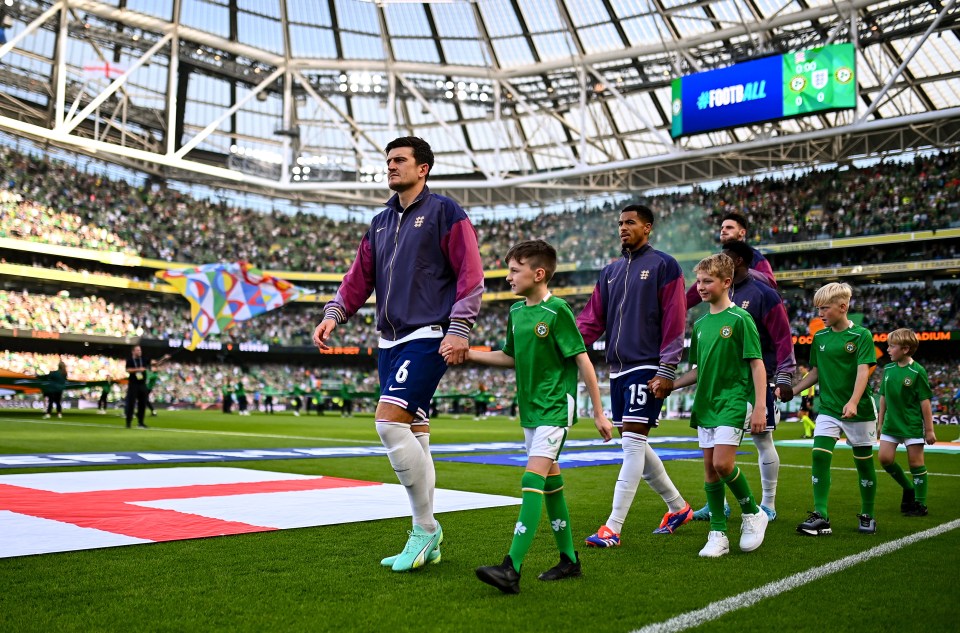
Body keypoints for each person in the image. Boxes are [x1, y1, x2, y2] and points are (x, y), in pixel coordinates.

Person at [313, 136, 484, 572]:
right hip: (387, 341)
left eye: (399, 161)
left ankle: (425, 529)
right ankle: (426, 535)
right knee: (417, 436)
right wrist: (336, 312)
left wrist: (460, 327)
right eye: (388, 161)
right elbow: (359, 278)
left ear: (422, 168)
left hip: (427, 334)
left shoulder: (445, 211)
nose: (391, 167)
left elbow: (470, 273)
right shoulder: (379, 222)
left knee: (388, 425)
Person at [455, 240, 612, 593]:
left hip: (556, 407)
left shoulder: (558, 312)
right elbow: (510, 356)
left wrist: (599, 413)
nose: (508, 277)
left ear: (538, 274)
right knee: (552, 485)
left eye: (514, 270)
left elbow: (583, 360)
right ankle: (569, 559)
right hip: (530, 410)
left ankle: (511, 568)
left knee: (531, 480)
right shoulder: (515, 314)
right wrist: (471, 355)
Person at [576, 204, 693, 547]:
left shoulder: (664, 265)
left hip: (647, 364)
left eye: (630, 223)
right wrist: (566, 347)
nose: (623, 228)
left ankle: (613, 527)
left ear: (648, 228)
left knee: (631, 445)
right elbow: (590, 320)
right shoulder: (609, 271)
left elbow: (675, 316)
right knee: (636, 442)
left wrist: (667, 368)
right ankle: (678, 507)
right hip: (617, 368)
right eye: (620, 223)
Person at [667, 253, 769, 557]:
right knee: (710, 472)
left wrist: (760, 406)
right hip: (707, 403)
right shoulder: (699, 324)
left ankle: (753, 512)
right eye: (698, 280)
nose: (700, 286)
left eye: (707, 280)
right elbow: (698, 370)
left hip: (734, 401)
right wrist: (671, 384)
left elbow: (757, 365)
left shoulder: (741, 319)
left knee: (723, 464)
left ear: (726, 282)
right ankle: (718, 533)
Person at [690, 240, 795, 522]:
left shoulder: (764, 294)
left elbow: (783, 337)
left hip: (755, 383)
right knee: (714, 460)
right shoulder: (707, 313)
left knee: (762, 439)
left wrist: (784, 374)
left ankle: (768, 504)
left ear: (735, 262)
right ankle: (719, 504)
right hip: (717, 390)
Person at [786, 282, 879, 536]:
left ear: (842, 307)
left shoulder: (861, 335)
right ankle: (821, 516)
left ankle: (868, 513)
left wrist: (853, 401)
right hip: (828, 407)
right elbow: (815, 372)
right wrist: (793, 391)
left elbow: (864, 372)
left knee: (863, 463)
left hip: (858, 409)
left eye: (824, 308)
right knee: (818, 455)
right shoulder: (820, 337)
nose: (820, 314)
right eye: (818, 309)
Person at [877, 328, 936, 516]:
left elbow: (925, 402)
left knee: (916, 464)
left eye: (892, 346)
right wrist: (880, 423)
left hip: (911, 425)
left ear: (905, 349)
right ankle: (908, 488)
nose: (887, 349)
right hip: (891, 424)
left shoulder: (917, 371)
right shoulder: (887, 369)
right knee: (885, 459)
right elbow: (883, 397)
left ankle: (920, 504)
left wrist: (929, 430)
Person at [686, 212, 776, 309]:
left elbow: (770, 283)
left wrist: (742, 272)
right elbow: (698, 290)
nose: (723, 230)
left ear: (742, 233)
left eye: (729, 227)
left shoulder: (755, 257)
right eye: (722, 228)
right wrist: (681, 304)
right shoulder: (718, 259)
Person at [125, 347, 168, 428]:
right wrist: (138, 369)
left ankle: (140, 422)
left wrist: (164, 358)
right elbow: (128, 370)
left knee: (143, 404)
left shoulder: (144, 359)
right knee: (131, 404)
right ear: (133, 351)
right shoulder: (130, 360)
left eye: (140, 350)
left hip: (142, 384)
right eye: (138, 350)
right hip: (133, 384)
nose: (140, 351)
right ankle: (128, 422)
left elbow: (156, 363)